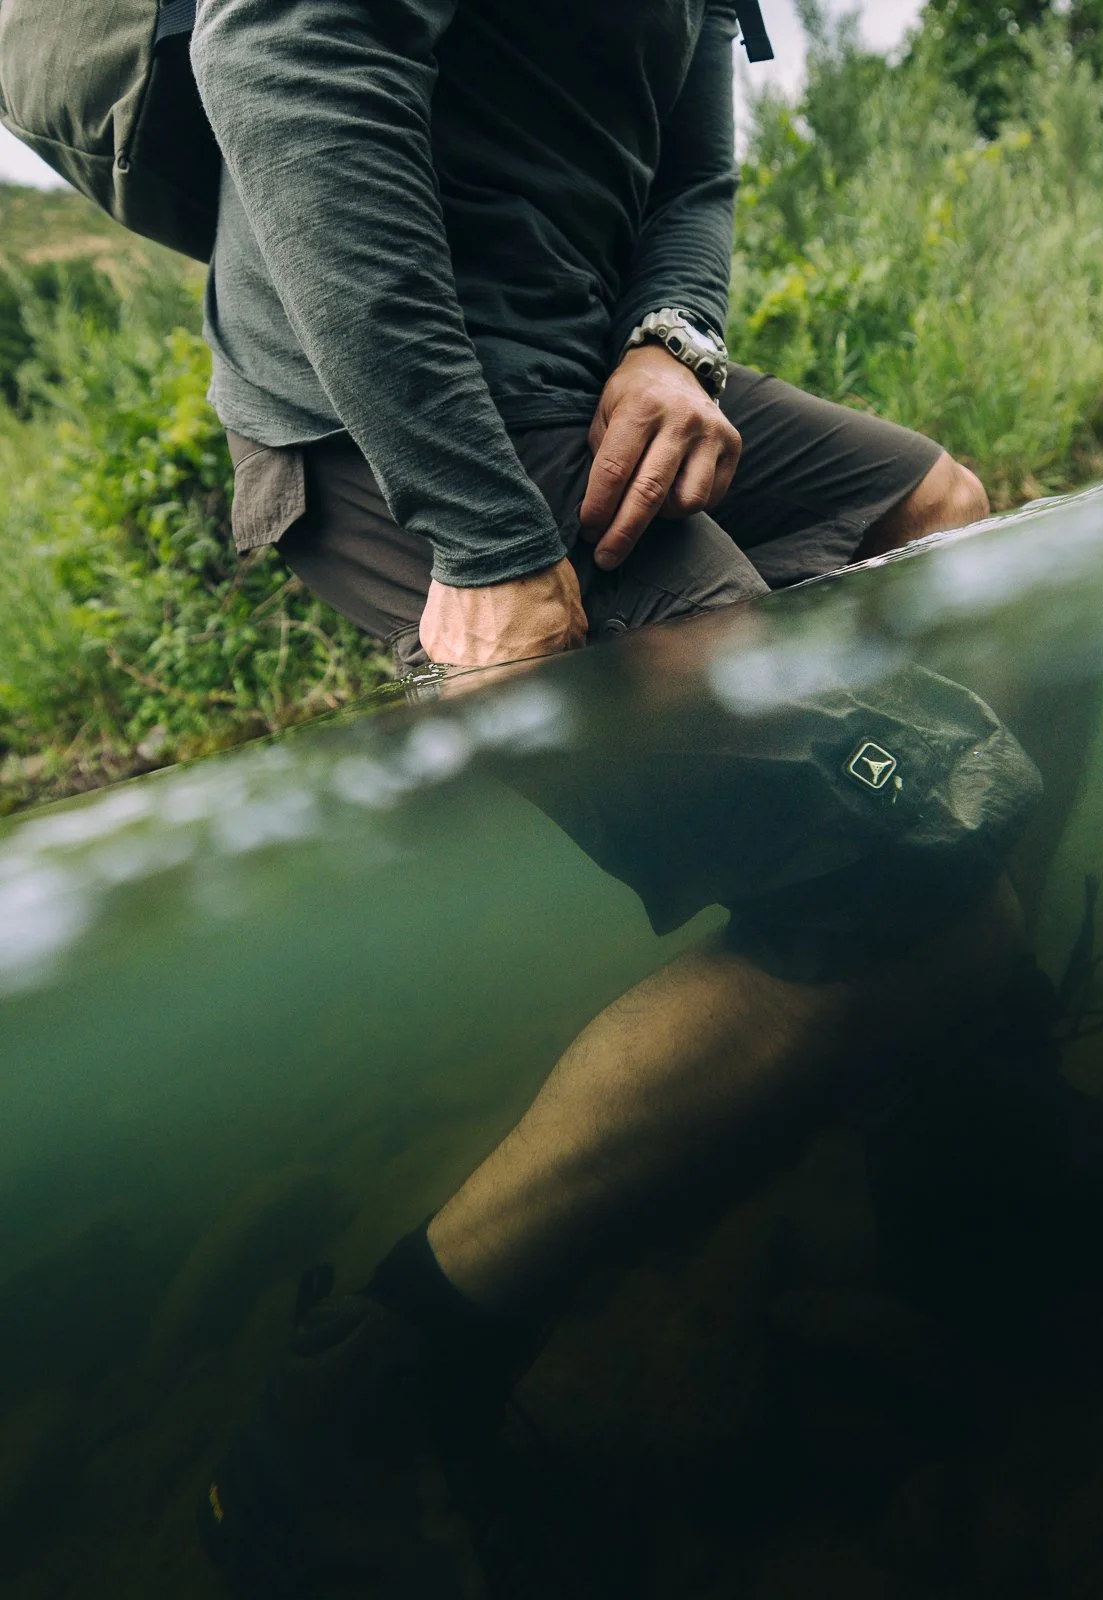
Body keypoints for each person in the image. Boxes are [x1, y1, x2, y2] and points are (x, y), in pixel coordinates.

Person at [188, 1, 1023, 1591]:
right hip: (404, 400)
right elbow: (282, 67)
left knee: (944, 514)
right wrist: (489, 543)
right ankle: (357, 1397)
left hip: (585, 350)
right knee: (898, 900)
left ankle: (970, 1122)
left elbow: (692, 162)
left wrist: (675, 337)